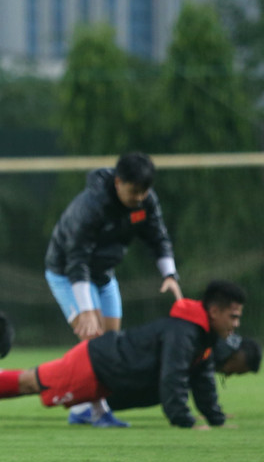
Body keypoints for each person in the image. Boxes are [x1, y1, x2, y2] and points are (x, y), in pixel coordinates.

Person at [0, 281, 249, 428]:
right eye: (233, 317)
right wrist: (186, 422)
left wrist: (216, 419)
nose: (236, 324)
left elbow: (201, 380)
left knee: (30, 381)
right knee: (29, 382)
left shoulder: (201, 338)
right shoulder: (184, 334)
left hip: (105, 370)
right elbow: (172, 378)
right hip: (94, 363)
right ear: (213, 311)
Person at [44, 151, 183, 427]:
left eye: (145, 191)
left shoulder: (145, 201)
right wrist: (85, 310)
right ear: (118, 182)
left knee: (111, 343)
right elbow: (77, 259)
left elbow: (158, 237)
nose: (139, 198)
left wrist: (169, 274)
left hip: (104, 275)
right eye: (134, 191)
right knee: (94, 341)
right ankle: (97, 411)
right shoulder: (92, 205)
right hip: (67, 273)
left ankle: (82, 408)